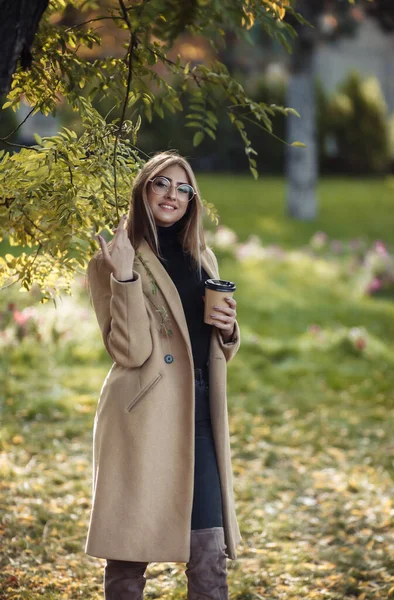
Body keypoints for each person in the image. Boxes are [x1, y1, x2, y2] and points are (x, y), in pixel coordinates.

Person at [85, 150, 241, 599]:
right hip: (142, 416)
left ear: (192, 199)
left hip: (200, 415)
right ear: (144, 189)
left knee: (209, 554)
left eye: (183, 188)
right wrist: (125, 277)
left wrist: (229, 332)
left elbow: (209, 344)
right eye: (162, 184)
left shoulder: (203, 259)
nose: (173, 195)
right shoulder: (113, 259)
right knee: (130, 553)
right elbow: (129, 351)